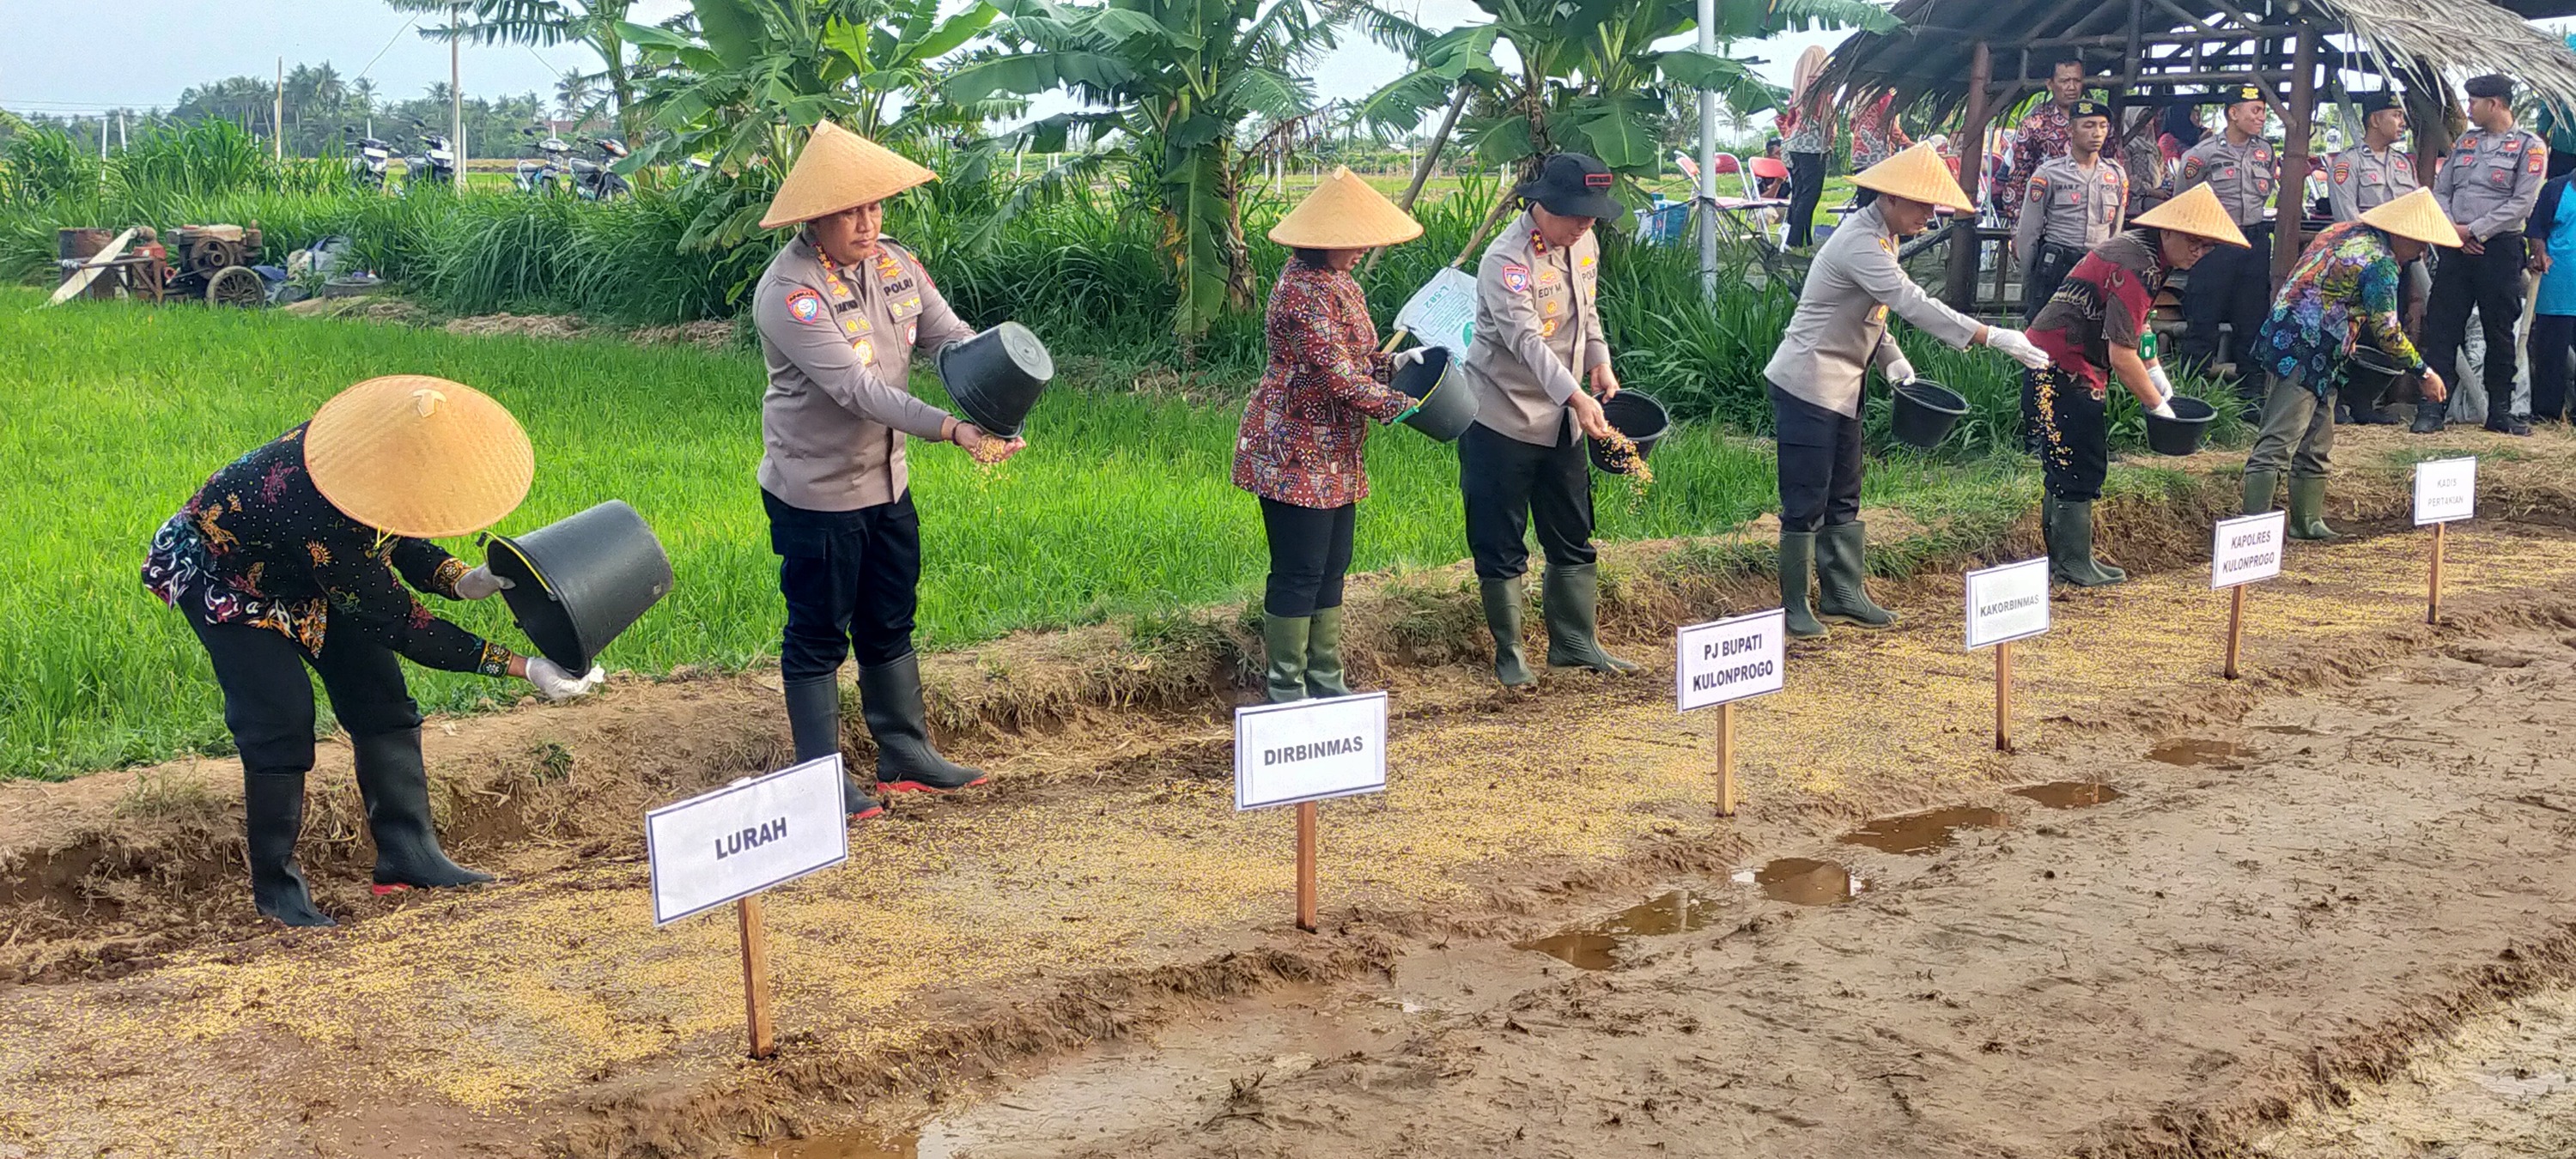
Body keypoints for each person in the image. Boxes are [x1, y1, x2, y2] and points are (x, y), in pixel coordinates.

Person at [141, 375, 606, 927]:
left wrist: (461, 579)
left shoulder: (370, 459)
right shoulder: (316, 503)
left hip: (307, 572)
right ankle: (276, 892)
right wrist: (525, 667)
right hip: (231, 582)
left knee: (381, 701)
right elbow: (402, 625)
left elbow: (396, 533)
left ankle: (409, 855)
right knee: (279, 719)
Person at [751, 121, 1026, 818]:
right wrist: (954, 430)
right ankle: (820, 781)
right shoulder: (791, 293)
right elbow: (859, 391)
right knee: (818, 631)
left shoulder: (899, 265)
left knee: (889, 618)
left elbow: (951, 337)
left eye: (875, 207)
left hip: (887, 483)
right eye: (851, 210)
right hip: (817, 495)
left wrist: (999, 395)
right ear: (815, 216)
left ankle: (905, 753)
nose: (868, 222)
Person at [1765, 143, 2054, 639]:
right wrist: (1991, 336)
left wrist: (1892, 358)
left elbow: (1874, 312)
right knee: (1806, 493)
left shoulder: (1884, 236)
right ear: (1891, 198)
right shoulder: (1860, 241)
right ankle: (1795, 605)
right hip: (1808, 380)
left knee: (1844, 492)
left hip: (1846, 381)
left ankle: (1842, 592)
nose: (1928, 216)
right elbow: (1909, 301)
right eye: (1922, 206)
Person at [1235, 168, 1429, 701]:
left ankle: (1326, 679)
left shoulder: (1342, 283)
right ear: (1321, 241)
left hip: (1338, 450)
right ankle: (1286, 687)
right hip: (1294, 449)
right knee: (1300, 568)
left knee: (1333, 566)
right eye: (1351, 241)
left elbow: (1358, 359)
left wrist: (1395, 364)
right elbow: (1336, 375)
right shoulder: (1299, 293)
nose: (1362, 248)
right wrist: (1400, 404)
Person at [1461, 152, 1636, 687]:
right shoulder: (1506, 260)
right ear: (1544, 206)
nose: (1586, 224)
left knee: (1573, 530)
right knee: (1501, 537)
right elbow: (1527, 344)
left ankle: (1575, 641)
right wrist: (1577, 397)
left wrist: (1599, 362)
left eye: (1593, 215)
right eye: (1577, 214)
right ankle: (1510, 651)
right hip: (1502, 418)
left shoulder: (1583, 242)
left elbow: (1589, 311)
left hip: (1564, 420)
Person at [2024, 185, 2250, 585]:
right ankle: (2071, 562)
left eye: (2207, 247)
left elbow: (2135, 325)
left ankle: (2067, 560)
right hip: (2062, 366)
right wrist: (2159, 406)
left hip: (2064, 363)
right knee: (2079, 464)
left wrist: (2159, 375)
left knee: (2070, 463)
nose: (2198, 253)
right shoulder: (2138, 263)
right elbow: (2121, 355)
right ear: (2168, 231)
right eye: (2194, 243)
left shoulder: (2148, 255)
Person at [2243, 188, 2455, 538]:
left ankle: (2307, 522)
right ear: (2402, 232)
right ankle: (2249, 534)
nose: (2420, 253)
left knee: (2317, 437)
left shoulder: (2341, 230)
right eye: (2420, 243)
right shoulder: (2382, 263)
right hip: (2308, 346)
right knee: (2280, 440)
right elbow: (2387, 331)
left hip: (2302, 339)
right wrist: (2423, 371)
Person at [2419, 74, 2548, 436]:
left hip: (2499, 249)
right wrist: (2454, 232)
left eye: (2474, 102)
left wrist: (2475, 231)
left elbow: (2522, 202)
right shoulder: (2466, 142)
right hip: (2455, 247)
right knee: (2443, 327)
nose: (2468, 108)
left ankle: (2501, 411)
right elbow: (2440, 191)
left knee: (2499, 330)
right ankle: (2432, 410)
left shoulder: (2529, 146)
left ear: (2495, 104)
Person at [2175, 86, 2281, 404]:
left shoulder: (2266, 152)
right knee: (2203, 322)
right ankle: (2190, 397)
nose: (2261, 117)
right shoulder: (2202, 155)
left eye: (2263, 111)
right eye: (2255, 111)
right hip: (2214, 243)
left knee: (2252, 323)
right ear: (2233, 113)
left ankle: (2250, 401)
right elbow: (2184, 201)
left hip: (2254, 242)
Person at [2327, 91, 2426, 424]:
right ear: (2374, 119)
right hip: (2359, 261)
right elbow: (2347, 216)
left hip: (2395, 262)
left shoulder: (2402, 164)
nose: (2401, 122)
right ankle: (2334, 401)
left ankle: (2363, 403)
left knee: (2379, 329)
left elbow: (2414, 210)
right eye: (2395, 115)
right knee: (2345, 328)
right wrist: (2372, 253)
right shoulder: (2348, 162)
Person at [2013, 100, 2129, 323]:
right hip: (2057, 265)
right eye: (2089, 125)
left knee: (2091, 333)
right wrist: (2030, 278)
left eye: (2103, 126)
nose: (2097, 133)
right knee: (2044, 333)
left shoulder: (2115, 175)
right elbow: (2028, 232)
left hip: (2097, 264)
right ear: (2071, 130)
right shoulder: (2048, 174)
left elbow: (2116, 230)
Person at [1996, 56, 2089, 228]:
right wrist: (2017, 227)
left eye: (2077, 80)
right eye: (2064, 81)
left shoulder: (2097, 122)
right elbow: (2017, 179)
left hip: (2088, 220)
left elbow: (2113, 167)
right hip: (2045, 220)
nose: (2071, 87)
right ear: (2050, 84)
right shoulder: (2034, 124)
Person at [2524, 169, 2576, 423]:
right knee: (2550, 353)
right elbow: (2536, 231)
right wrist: (2538, 253)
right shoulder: (2555, 189)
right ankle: (2547, 414)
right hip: (2557, 283)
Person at [1779, 46, 1836, 248]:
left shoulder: (1799, 87)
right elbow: (1826, 116)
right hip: (1813, 146)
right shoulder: (1821, 86)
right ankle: (1796, 239)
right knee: (1811, 194)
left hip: (1794, 144)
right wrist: (1831, 137)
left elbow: (1786, 117)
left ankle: (1800, 238)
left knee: (1799, 193)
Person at [1850, 90, 1912, 172]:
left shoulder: (1859, 98)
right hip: (1877, 156)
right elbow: (1891, 127)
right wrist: (1909, 144)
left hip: (1859, 155)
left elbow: (1852, 126)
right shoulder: (1885, 98)